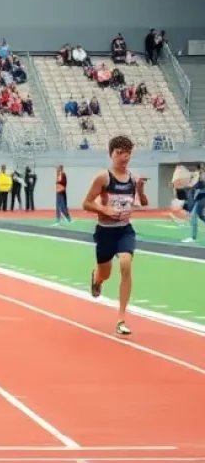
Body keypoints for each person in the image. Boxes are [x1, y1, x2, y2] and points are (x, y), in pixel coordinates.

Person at [82, 134, 149, 337]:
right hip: (105, 232)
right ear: (111, 154)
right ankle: (97, 279)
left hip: (124, 230)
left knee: (126, 264)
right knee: (106, 273)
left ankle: (121, 319)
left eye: (127, 153)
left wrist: (141, 191)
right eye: (119, 153)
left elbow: (143, 203)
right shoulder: (104, 178)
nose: (124, 157)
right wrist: (104, 211)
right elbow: (86, 203)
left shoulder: (133, 179)